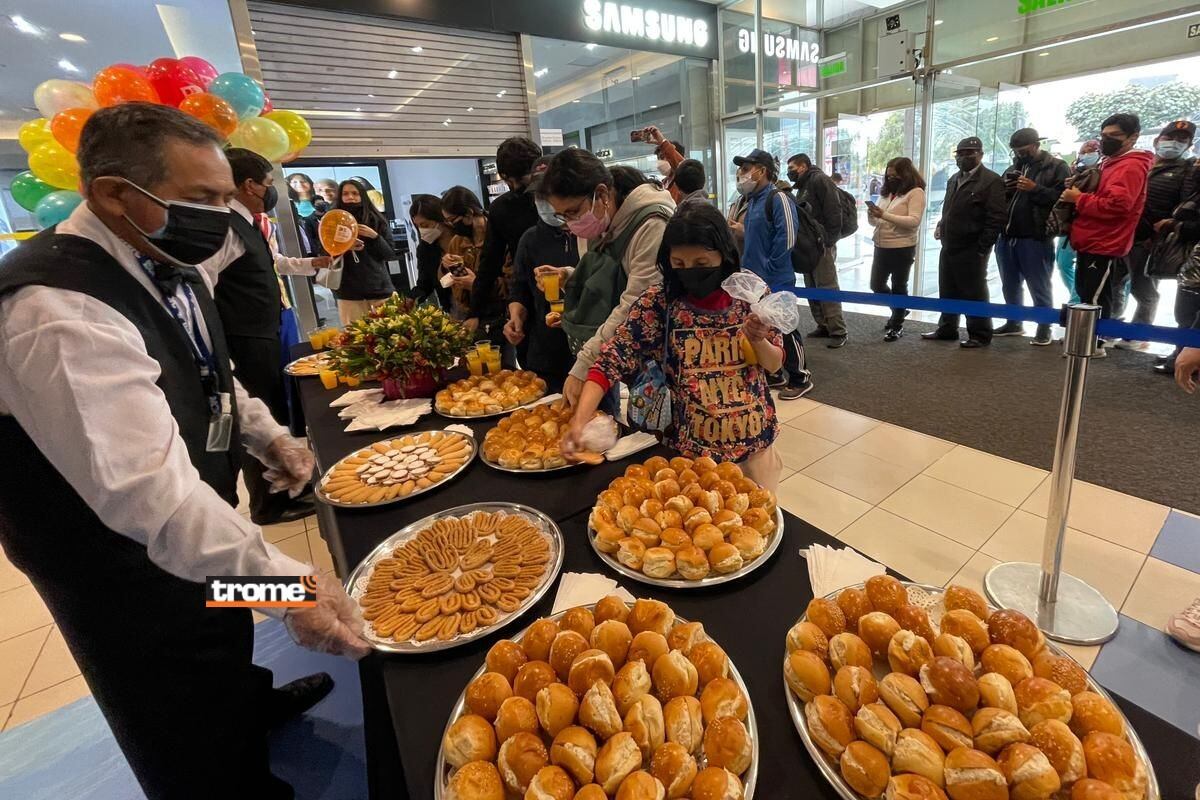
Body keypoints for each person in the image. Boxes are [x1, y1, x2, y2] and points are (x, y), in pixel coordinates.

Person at [0, 102, 369, 800]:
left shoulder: (165, 259)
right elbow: (149, 497)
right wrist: (291, 587)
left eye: (226, 197)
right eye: (201, 200)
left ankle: (251, 703)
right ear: (113, 194)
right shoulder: (55, 310)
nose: (220, 218)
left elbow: (207, 369)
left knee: (223, 616)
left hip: (193, 524)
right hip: (114, 561)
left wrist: (269, 437)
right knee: (170, 699)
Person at [562, 203, 785, 489]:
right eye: (679, 264)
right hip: (686, 458)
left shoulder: (750, 295)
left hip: (753, 450)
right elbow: (609, 361)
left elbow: (774, 364)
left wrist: (759, 339)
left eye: (701, 264)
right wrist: (579, 422)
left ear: (725, 254)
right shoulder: (659, 303)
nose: (689, 272)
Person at [206, 148, 332, 525]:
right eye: (267, 183)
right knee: (260, 411)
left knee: (274, 406)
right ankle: (269, 504)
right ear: (249, 185)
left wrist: (312, 264)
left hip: (265, 329)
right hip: (245, 338)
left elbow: (269, 264)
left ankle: (285, 489)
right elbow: (203, 287)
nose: (271, 190)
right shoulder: (226, 226)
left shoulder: (250, 223)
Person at [542, 150, 675, 407]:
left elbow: (636, 305)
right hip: (625, 345)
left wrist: (585, 363)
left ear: (602, 194)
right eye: (563, 216)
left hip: (660, 351)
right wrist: (569, 276)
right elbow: (606, 272)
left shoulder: (651, 224)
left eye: (572, 212)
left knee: (656, 429)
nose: (570, 223)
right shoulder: (607, 219)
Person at [1060, 113, 1153, 354]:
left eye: (1114, 136)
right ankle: (1092, 337)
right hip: (1090, 237)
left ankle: (1095, 341)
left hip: (1104, 240)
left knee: (1095, 297)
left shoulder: (1131, 166)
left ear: (1133, 137)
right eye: (1103, 136)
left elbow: (1118, 206)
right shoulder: (1110, 162)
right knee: (1087, 292)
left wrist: (1079, 198)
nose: (1106, 140)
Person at [734, 148, 812, 400]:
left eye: (746, 169)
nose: (741, 174)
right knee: (764, 327)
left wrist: (771, 269)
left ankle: (801, 376)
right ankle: (776, 374)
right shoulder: (753, 201)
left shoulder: (778, 198)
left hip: (775, 278)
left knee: (785, 327)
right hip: (755, 280)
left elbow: (787, 235)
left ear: (762, 171)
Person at [1113, 120, 1197, 345]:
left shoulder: (1187, 171)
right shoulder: (1143, 164)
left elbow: (1186, 206)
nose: (1174, 144)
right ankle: (1111, 325)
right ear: (1157, 140)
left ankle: (1139, 333)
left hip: (1150, 239)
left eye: (1182, 141)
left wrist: (1168, 227)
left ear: (1189, 145)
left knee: (1144, 289)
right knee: (1115, 283)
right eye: (1169, 138)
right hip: (1121, 234)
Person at [922, 136, 1007, 348]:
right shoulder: (954, 179)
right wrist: (942, 224)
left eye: (970, 153)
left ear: (981, 155)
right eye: (960, 153)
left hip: (972, 247)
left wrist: (982, 247)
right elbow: (950, 209)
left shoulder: (991, 180)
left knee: (974, 292)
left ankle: (979, 334)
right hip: (949, 244)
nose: (964, 157)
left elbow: (996, 217)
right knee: (947, 288)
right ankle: (947, 328)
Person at [504, 156, 577, 383]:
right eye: (539, 196)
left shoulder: (588, 234)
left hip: (587, 353)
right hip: (545, 355)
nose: (545, 202)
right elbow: (520, 289)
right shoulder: (530, 239)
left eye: (549, 194)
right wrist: (515, 318)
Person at [994, 127, 1069, 345]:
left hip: (1035, 236)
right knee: (1009, 283)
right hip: (1008, 235)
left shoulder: (1057, 167)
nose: (1020, 154)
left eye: (1024, 150)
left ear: (1036, 145)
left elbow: (1062, 199)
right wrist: (1006, 188)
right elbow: (1000, 198)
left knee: (1039, 284)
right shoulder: (1015, 166)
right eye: (1016, 151)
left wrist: (1034, 188)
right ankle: (1014, 322)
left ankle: (1043, 325)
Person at [468, 137, 542, 352]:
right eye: (513, 180)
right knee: (532, 361)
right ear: (504, 177)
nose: (519, 187)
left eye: (525, 179)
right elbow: (490, 262)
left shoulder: (557, 199)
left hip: (569, 288)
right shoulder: (501, 208)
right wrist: (475, 311)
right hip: (526, 294)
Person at [787, 153, 847, 347]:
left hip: (822, 244)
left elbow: (833, 210)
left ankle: (838, 330)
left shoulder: (820, 180)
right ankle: (823, 324)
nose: (790, 172)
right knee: (811, 285)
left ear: (803, 166)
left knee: (827, 285)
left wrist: (829, 240)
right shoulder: (804, 185)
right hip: (809, 245)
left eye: (792, 168)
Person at [867, 156, 926, 341]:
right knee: (876, 285)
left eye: (894, 175)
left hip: (902, 247)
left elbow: (914, 221)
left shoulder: (915, 192)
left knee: (899, 285)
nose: (890, 178)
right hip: (881, 245)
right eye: (888, 175)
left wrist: (884, 214)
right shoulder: (888, 193)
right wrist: (873, 215)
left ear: (905, 174)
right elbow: (877, 221)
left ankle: (897, 323)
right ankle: (899, 310)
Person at [331, 178, 396, 325]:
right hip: (348, 293)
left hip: (379, 289)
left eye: (355, 193)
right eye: (345, 193)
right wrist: (345, 246)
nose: (350, 197)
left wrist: (374, 236)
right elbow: (324, 253)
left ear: (362, 195)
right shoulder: (331, 222)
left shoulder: (377, 220)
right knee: (354, 340)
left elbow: (390, 254)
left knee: (391, 336)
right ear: (340, 197)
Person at [1055, 139, 1101, 305]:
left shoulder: (1103, 171)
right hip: (1071, 224)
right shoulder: (1075, 169)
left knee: (1088, 269)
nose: (1088, 153)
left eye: (1092, 150)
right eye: (1085, 150)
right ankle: (1076, 295)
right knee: (1062, 263)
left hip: (1092, 228)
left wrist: (1078, 196)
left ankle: (1076, 300)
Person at [439, 185, 489, 322]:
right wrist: (445, 266)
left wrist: (477, 285)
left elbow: (512, 282)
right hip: (465, 312)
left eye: (451, 220)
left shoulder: (497, 237)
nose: (450, 226)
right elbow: (445, 279)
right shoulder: (457, 241)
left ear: (468, 214)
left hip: (495, 314)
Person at [407, 193, 453, 308]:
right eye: (418, 227)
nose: (422, 230)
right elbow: (425, 283)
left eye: (425, 225)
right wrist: (412, 298)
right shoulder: (425, 249)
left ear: (441, 218)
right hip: (450, 306)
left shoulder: (463, 239)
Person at [643, 127, 686, 203]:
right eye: (658, 158)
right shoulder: (663, 183)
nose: (660, 162)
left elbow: (681, 164)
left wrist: (661, 141)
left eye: (663, 157)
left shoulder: (682, 180)